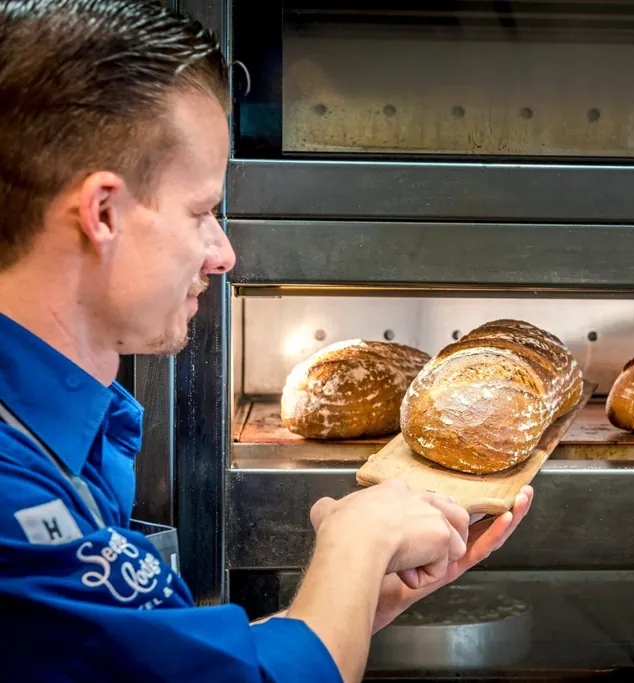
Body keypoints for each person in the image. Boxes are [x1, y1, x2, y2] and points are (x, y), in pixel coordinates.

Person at [0, 1, 533, 681]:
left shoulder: (57, 439)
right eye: (201, 211)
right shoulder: (13, 500)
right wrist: (355, 543)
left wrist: (342, 608)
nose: (223, 254)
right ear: (103, 212)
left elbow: (138, 665)